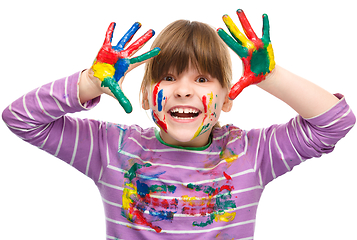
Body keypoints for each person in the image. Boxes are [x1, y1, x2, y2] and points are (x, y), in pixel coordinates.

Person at [2, 9, 355, 240]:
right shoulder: (112, 149)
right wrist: (90, 83)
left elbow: (335, 122)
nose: (184, 90)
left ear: (228, 98)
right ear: (145, 96)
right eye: (169, 77)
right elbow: (21, 118)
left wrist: (270, 76)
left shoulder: (251, 154)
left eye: (202, 80)